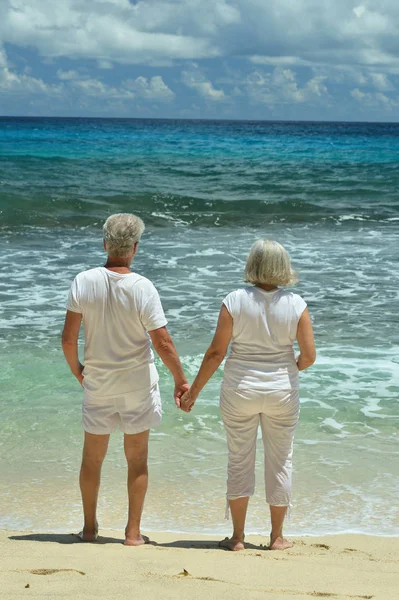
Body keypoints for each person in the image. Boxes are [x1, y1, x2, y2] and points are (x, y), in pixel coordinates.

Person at [62, 213, 189, 546]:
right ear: (135, 248)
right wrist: (181, 380)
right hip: (137, 385)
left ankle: (89, 529)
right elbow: (163, 342)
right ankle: (132, 533)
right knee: (137, 460)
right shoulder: (142, 287)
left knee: (92, 459)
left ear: (105, 244)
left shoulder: (83, 281)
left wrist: (79, 372)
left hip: (98, 384)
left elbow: (67, 339)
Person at [180, 239, 316, 551]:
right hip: (282, 391)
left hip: (240, 389)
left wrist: (193, 393)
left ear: (252, 265)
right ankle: (276, 537)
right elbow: (309, 355)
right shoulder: (297, 304)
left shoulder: (235, 300)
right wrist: (288, 369)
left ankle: (238, 538)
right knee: (281, 461)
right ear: (283, 267)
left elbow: (216, 353)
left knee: (239, 460)